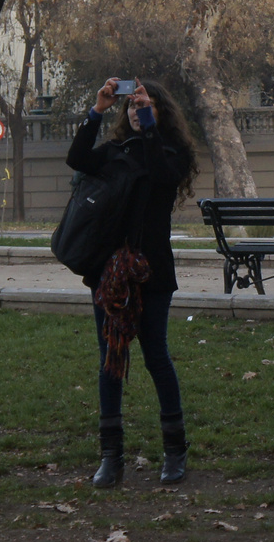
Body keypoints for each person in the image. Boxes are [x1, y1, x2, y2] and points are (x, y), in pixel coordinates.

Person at [66, 77, 198, 489]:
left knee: (156, 357)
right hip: (110, 276)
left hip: (152, 272)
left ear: (160, 113)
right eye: (132, 107)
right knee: (110, 363)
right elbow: (77, 158)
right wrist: (98, 109)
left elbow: (161, 174)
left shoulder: (173, 153)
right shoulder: (115, 152)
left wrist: (149, 126)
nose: (136, 113)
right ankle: (111, 457)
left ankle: (174, 452)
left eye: (145, 106)